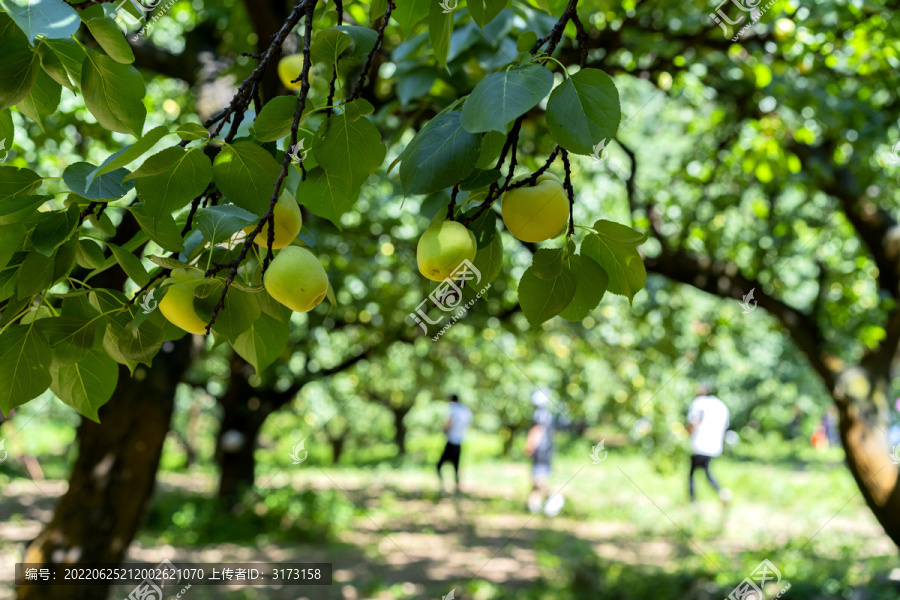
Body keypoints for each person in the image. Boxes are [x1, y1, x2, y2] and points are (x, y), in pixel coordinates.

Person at [686, 383, 730, 504]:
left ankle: (693, 500)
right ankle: (722, 493)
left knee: (692, 474)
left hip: (698, 444)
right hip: (713, 446)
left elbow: (693, 423)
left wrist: (685, 434)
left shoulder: (699, 403)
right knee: (706, 471)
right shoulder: (722, 406)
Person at [524, 388, 564, 516]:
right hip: (546, 449)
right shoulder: (548, 414)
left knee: (538, 478)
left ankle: (553, 498)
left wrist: (530, 445)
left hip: (540, 450)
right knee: (538, 477)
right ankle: (534, 504)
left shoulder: (539, 414)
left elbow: (537, 431)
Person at [436, 394, 472, 495]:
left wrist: (445, 430)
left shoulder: (453, 408)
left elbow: (450, 421)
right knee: (456, 465)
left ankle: (442, 486)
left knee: (439, 465)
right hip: (459, 441)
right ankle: (457, 487)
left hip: (451, 440)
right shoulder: (465, 410)